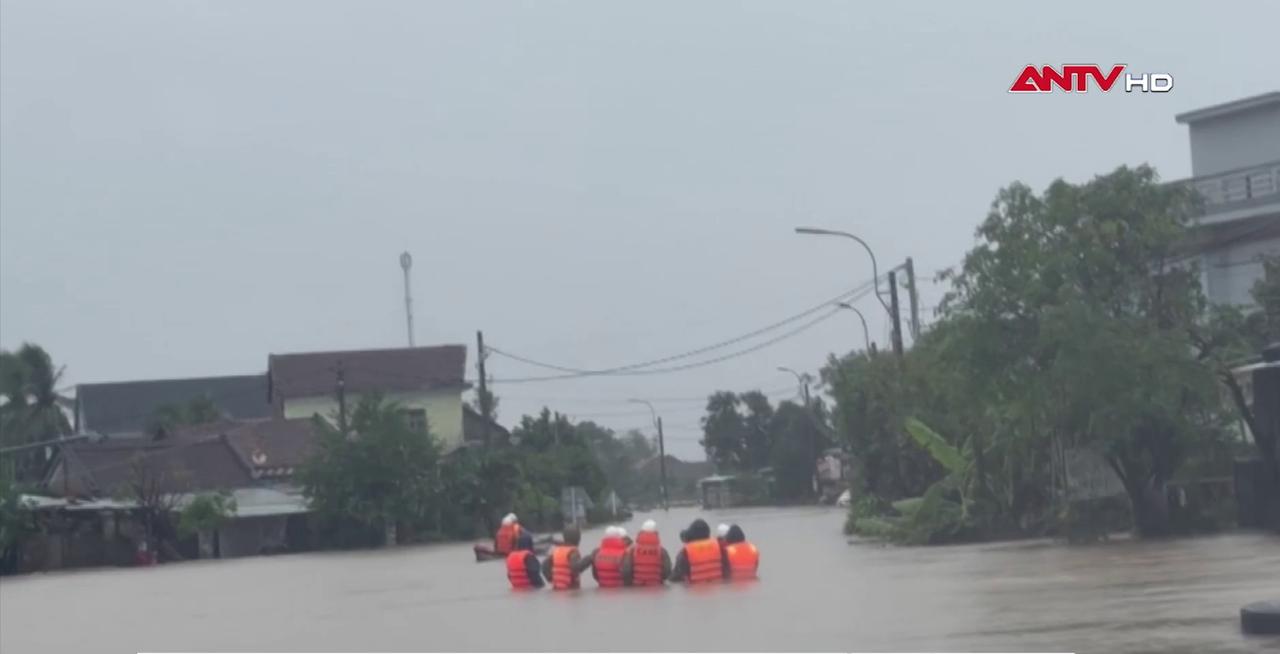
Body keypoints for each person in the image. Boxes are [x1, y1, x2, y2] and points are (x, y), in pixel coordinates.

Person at [668, 518, 728, 584]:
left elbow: (675, 577)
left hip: (696, 591)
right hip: (718, 589)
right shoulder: (719, 548)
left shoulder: (685, 553)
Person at [622, 519, 672, 586]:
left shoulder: (632, 550)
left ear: (641, 532)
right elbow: (667, 570)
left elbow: (626, 570)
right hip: (656, 587)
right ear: (656, 533)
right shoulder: (662, 550)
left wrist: (630, 584)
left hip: (636, 587)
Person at [542, 526, 591, 590]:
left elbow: (544, 565)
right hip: (570, 589)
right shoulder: (573, 552)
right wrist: (589, 559)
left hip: (556, 589)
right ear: (578, 539)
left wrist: (551, 578)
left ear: (564, 537)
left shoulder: (557, 551)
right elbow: (576, 567)